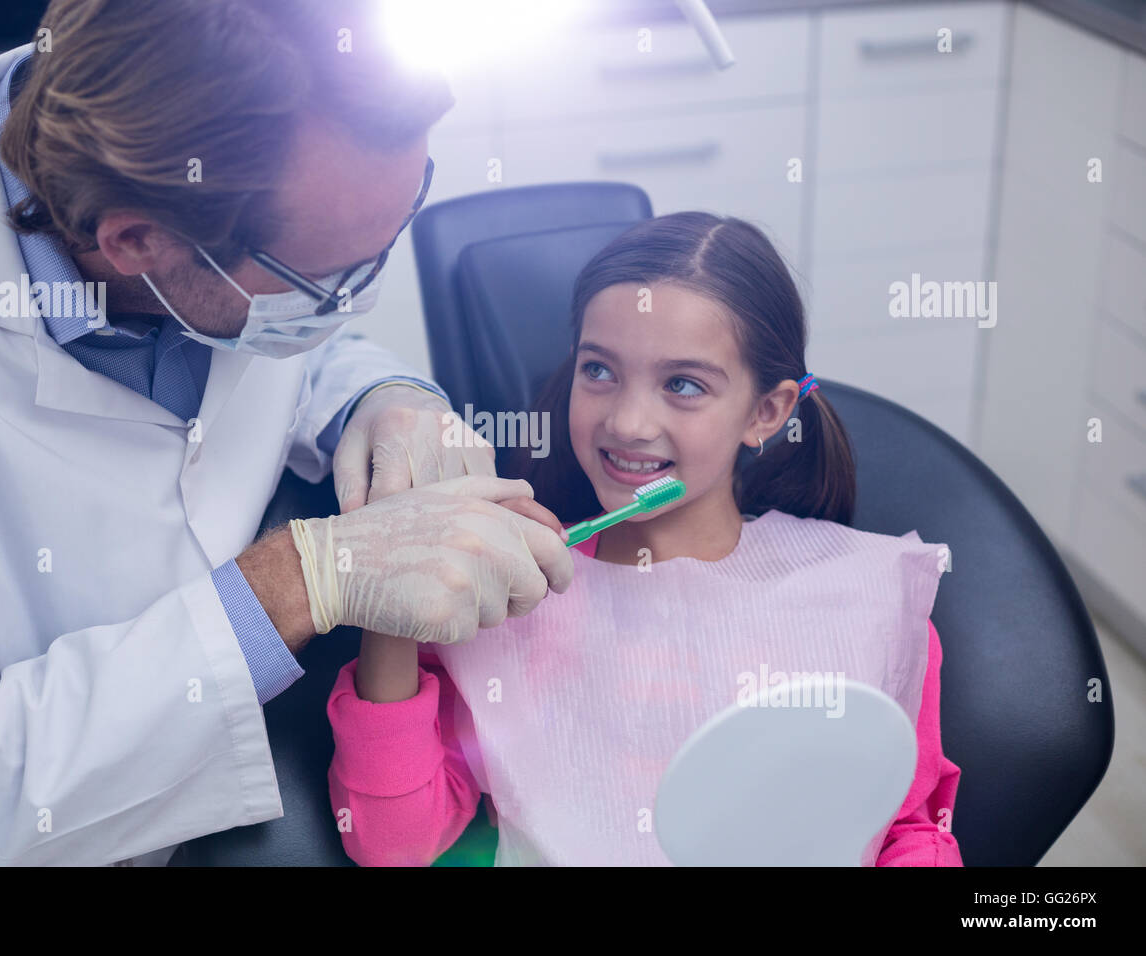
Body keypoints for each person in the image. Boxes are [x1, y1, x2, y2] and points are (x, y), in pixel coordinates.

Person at [0, 0, 570, 865]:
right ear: (134, 242)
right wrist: (301, 581)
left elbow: (289, 345)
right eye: (333, 281)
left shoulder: (198, 175)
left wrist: (385, 394)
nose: (357, 298)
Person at [326, 212, 965, 866]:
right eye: (599, 371)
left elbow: (907, 830)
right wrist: (392, 610)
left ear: (766, 412)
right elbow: (392, 845)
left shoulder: (862, 601)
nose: (629, 421)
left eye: (683, 385)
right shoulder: (501, 602)